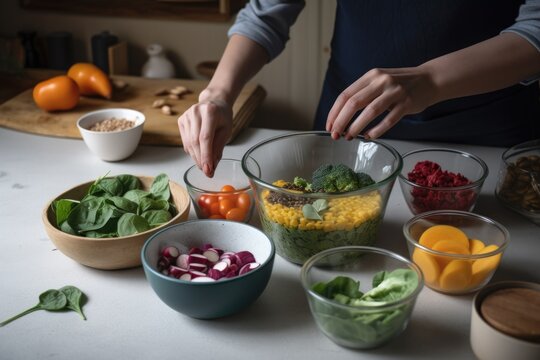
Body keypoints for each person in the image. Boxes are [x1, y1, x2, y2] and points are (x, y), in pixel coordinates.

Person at [178, 0, 540, 177]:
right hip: (350, 124)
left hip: (490, 134)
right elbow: (266, 12)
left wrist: (430, 80)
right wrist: (218, 95)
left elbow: (535, 27)